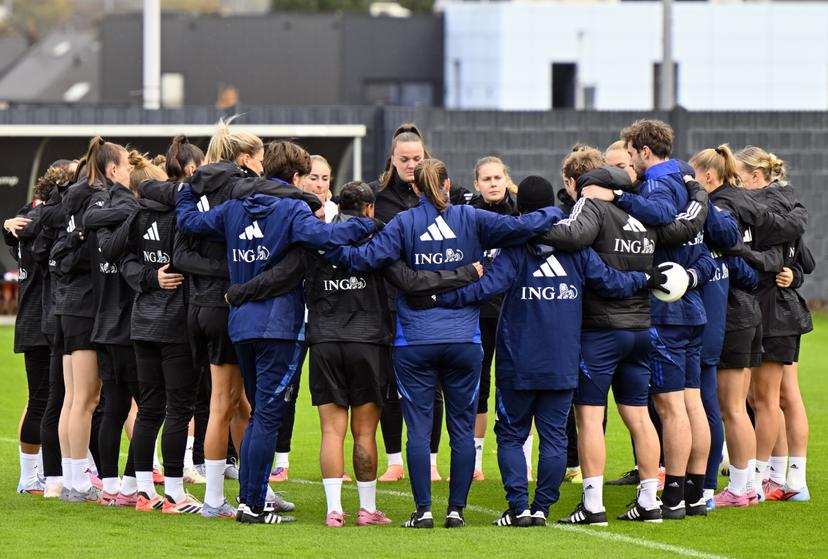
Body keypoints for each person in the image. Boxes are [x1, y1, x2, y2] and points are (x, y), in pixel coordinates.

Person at [227, 181, 484, 527]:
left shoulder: (314, 239)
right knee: (364, 432)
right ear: (369, 209)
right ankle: (366, 510)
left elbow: (282, 275)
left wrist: (239, 291)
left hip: (324, 342)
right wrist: (465, 273)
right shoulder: (379, 240)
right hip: (368, 343)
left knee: (331, 431)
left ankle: (334, 510)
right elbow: (410, 281)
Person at [329, 158, 564, 529]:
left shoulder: (403, 223)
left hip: (414, 342)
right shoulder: (473, 218)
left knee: (419, 431)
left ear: (417, 189)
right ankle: (455, 511)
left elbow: (362, 260)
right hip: (463, 340)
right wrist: (556, 209)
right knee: (461, 429)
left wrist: (326, 244)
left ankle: (422, 511)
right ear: (449, 184)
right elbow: (522, 226)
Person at [435, 175, 667, 527]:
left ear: (521, 210)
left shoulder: (515, 250)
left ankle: (519, 508)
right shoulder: (578, 252)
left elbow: (484, 288)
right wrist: (645, 279)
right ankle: (542, 507)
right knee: (554, 436)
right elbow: (610, 282)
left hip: (519, 361)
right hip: (563, 361)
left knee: (512, 434)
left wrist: (443, 296)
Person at [177, 140, 375, 525]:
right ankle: (251, 504)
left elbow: (189, 223)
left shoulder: (232, 209)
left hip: (242, 326)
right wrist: (368, 223)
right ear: (297, 177)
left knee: (257, 414)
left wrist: (187, 189)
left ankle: (251, 499)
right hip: (280, 327)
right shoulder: (293, 209)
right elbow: (330, 239)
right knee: (267, 416)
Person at [173, 120, 319, 519]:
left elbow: (182, 250)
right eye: (258, 158)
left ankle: (254, 490)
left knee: (240, 406)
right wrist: (234, 276)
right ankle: (218, 498)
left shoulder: (201, 186)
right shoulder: (244, 189)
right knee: (228, 404)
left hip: (210, 305)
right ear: (244, 158)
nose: (261, 166)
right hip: (235, 304)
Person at [582, 120, 717, 519]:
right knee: (692, 403)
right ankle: (695, 492)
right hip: (691, 307)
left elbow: (658, 213)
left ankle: (672, 495)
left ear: (642, 152)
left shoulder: (657, 186)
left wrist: (617, 195)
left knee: (672, 407)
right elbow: (718, 238)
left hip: (666, 312)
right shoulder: (685, 182)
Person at [538, 148, 664, 524]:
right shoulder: (645, 215)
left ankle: (592, 506)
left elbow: (574, 237)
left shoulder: (591, 206)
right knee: (640, 417)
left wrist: (528, 226)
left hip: (600, 331)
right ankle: (649, 502)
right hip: (641, 329)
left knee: (590, 419)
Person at [51, 138, 135, 503]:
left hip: (67, 305)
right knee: (84, 399)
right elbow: (94, 222)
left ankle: (72, 478)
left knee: (74, 398)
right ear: (113, 170)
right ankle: (78, 483)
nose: (131, 172)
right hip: (84, 306)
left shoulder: (76, 196)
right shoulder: (98, 198)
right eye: (128, 167)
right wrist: (137, 207)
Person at [734, 146, 811, 501]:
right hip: (779, 309)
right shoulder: (788, 202)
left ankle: (769, 478)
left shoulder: (764, 205)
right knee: (772, 396)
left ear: (755, 175)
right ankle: (783, 476)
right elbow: (804, 259)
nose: (734, 183)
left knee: (772, 397)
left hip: (775, 311)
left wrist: (790, 271)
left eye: (738, 175)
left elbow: (792, 254)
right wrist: (794, 272)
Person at [370, 124, 445, 482]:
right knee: (389, 385)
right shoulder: (376, 197)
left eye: (417, 158)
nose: (411, 164)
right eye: (405, 159)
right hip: (386, 303)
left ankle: (430, 460)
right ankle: (395, 460)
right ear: (392, 159)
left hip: (430, 302)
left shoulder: (443, 198)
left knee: (432, 386)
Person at [3, 167, 68, 494]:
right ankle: (30, 477)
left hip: (32, 320)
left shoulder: (21, 222)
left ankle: (37, 472)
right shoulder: (45, 224)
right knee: (47, 399)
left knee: (42, 399)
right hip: (44, 320)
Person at [467, 156, 520, 481]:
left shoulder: (518, 211)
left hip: (512, 312)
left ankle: (523, 458)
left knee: (515, 382)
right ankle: (475, 463)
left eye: (498, 177)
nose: (493, 183)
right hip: (478, 311)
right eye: (486, 179)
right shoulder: (468, 214)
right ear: (477, 184)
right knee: (479, 385)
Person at [164, 135, 209, 485]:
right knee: (181, 404)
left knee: (151, 404)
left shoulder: (147, 201)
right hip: (182, 316)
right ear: (193, 168)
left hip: (146, 319)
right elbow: (182, 257)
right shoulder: (190, 208)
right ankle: (178, 481)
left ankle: (139, 481)